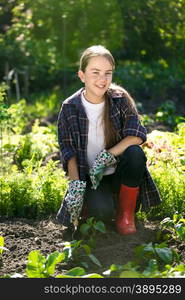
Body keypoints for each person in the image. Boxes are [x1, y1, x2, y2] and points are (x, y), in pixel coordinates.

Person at [56, 45, 161, 235]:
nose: (102, 79)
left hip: (119, 175)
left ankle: (125, 215)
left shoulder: (120, 99)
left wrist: (107, 156)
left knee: (135, 153)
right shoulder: (70, 107)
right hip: (91, 179)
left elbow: (137, 134)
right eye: (95, 72)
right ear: (82, 75)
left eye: (108, 73)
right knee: (101, 212)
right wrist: (75, 187)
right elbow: (68, 151)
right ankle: (92, 206)